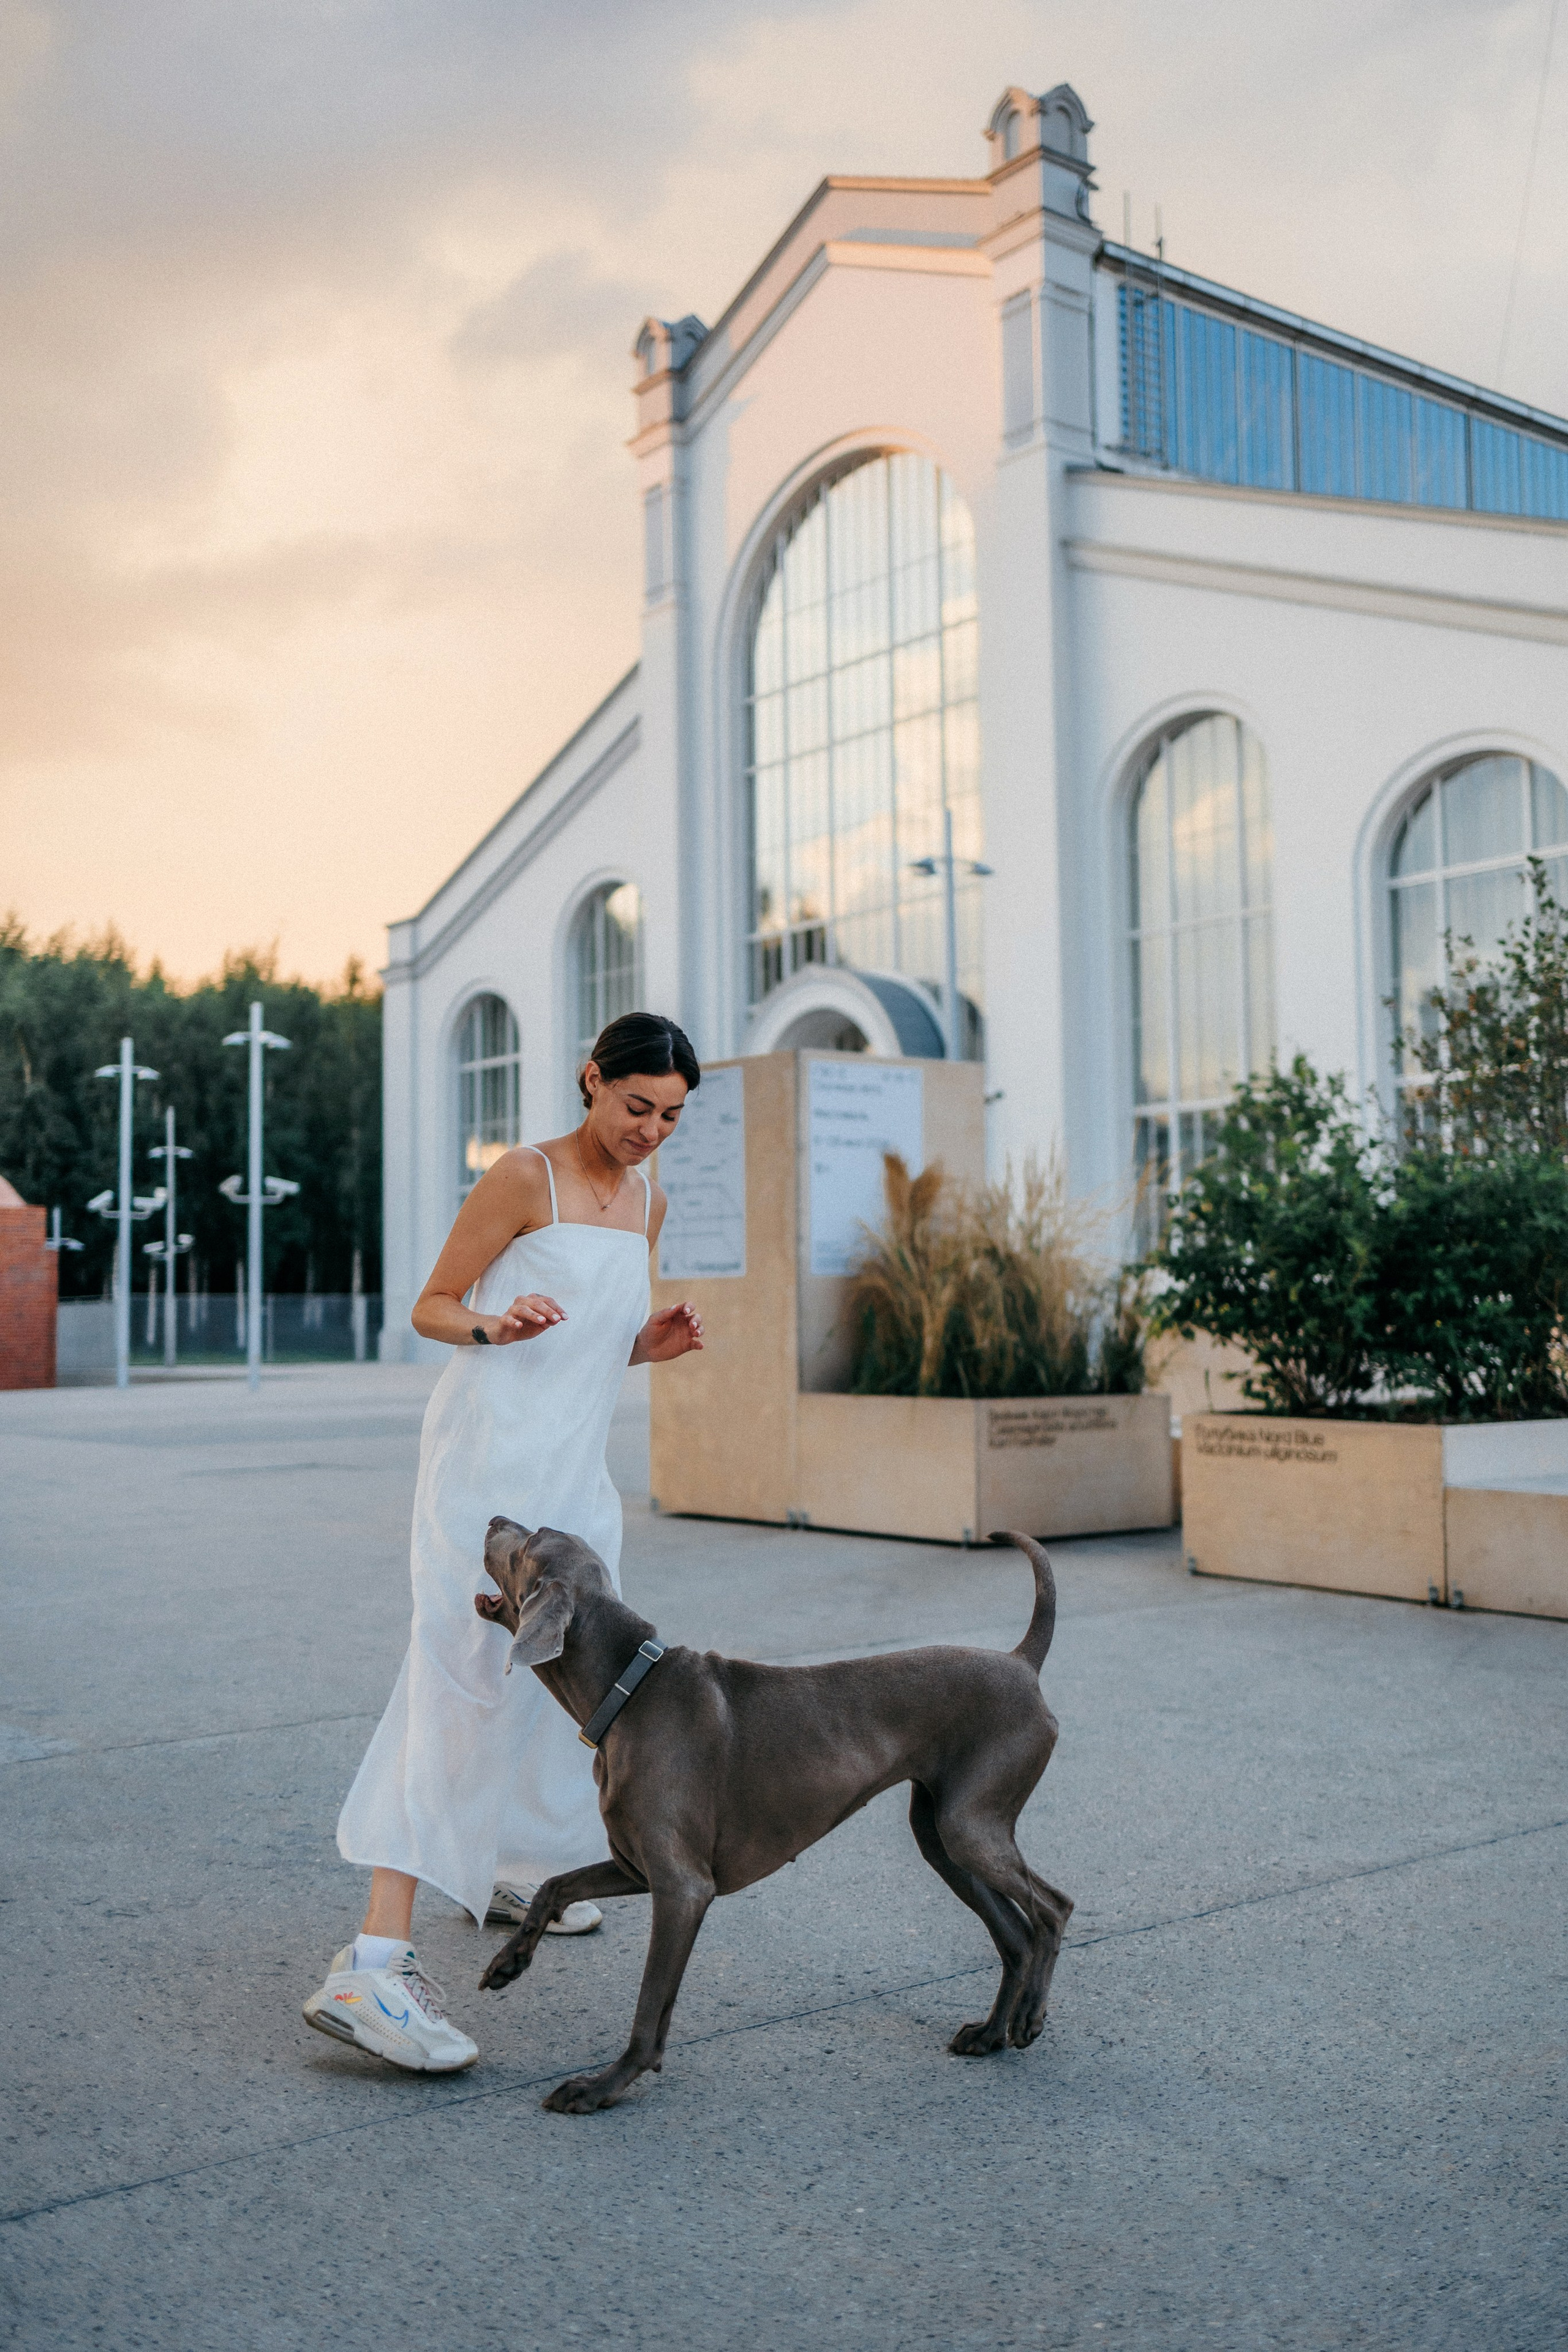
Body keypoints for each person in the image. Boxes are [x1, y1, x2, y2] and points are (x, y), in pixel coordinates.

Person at [303, 1011, 704, 2071]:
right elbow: (432, 1306)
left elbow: (588, 1352)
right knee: (460, 1690)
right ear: (591, 1081)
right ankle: (370, 1969)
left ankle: (512, 1870)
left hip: (576, 1481)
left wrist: (644, 1347)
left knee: (558, 1685)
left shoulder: (649, 1199)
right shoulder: (525, 1176)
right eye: (634, 1106)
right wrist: (494, 1323)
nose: (649, 1130)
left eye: (669, 1116)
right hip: (486, 1485)